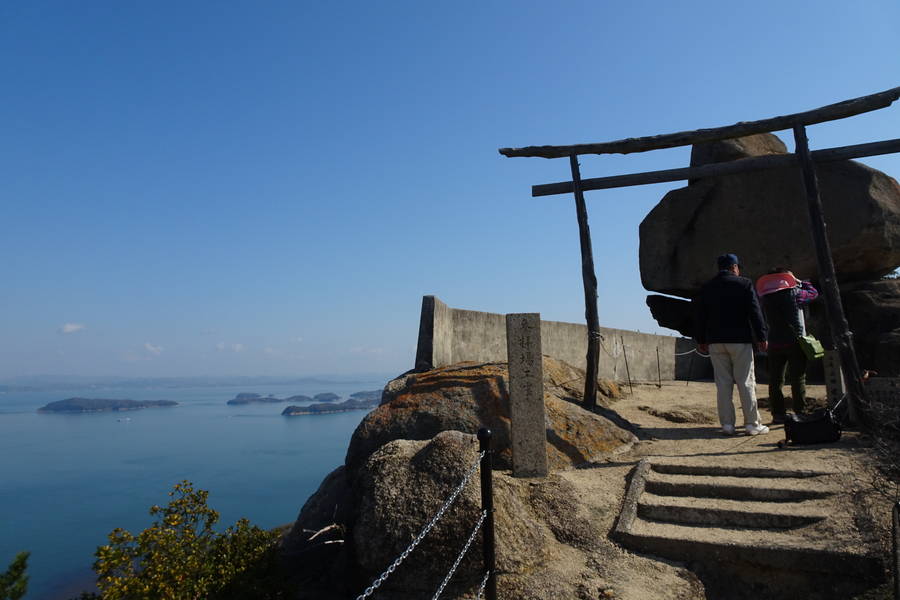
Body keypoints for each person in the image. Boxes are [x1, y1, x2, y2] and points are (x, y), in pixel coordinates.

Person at [693, 253, 770, 436]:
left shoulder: (707, 287)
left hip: (715, 342)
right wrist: (762, 336)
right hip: (739, 340)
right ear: (735, 267)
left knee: (723, 384)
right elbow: (755, 312)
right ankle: (752, 424)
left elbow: (700, 316)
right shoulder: (744, 284)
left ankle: (727, 425)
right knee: (745, 382)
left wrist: (701, 339)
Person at [755, 267, 819, 424]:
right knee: (798, 378)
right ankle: (800, 412)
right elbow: (814, 293)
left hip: (775, 343)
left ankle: (778, 414)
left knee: (775, 380)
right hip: (795, 342)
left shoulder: (765, 298)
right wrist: (799, 282)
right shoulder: (796, 294)